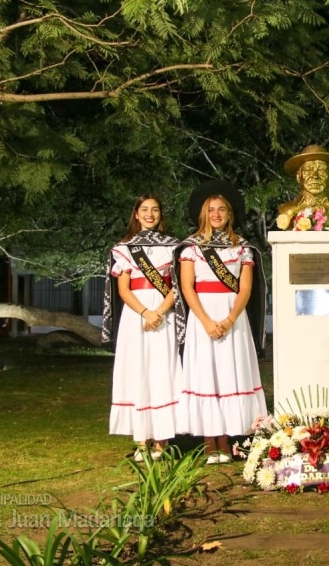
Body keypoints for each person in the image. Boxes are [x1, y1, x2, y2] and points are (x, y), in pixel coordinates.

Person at [174, 180, 268, 465]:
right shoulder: (191, 248)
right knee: (206, 373)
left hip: (233, 317)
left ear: (229, 214)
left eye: (222, 209)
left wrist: (228, 320)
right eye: (211, 209)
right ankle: (207, 439)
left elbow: (246, 289)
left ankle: (226, 439)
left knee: (230, 372)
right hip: (202, 317)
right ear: (204, 213)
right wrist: (205, 321)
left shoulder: (242, 249)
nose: (216, 214)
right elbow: (187, 287)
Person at [102, 195, 182, 462]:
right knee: (137, 371)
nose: (150, 214)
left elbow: (177, 288)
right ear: (136, 214)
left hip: (164, 315)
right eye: (144, 209)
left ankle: (162, 440)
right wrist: (146, 312)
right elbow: (123, 289)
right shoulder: (125, 248)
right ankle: (140, 440)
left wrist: (158, 312)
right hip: (136, 315)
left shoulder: (175, 247)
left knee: (163, 371)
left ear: (161, 214)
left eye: (155, 209)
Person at [278, 144, 329, 229]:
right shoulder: (286, 210)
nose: (315, 176)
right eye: (308, 170)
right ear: (298, 176)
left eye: (321, 170)